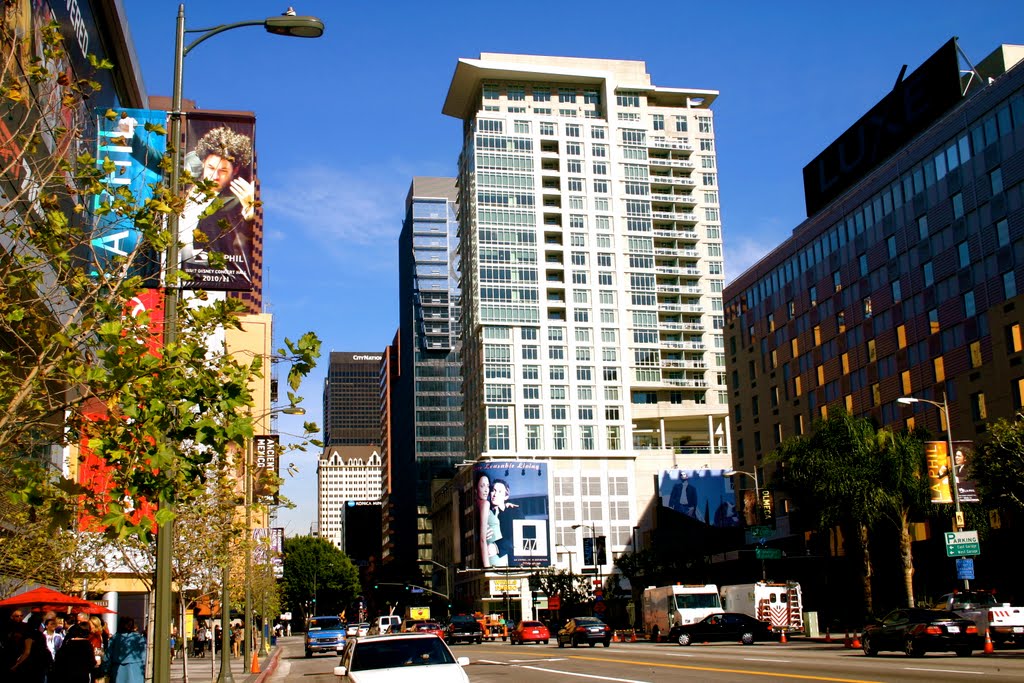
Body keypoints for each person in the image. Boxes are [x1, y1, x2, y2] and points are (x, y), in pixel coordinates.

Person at [179, 126, 256, 288]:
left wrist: (249, 214)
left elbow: (241, 240)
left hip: (201, 277)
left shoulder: (234, 200)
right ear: (203, 163)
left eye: (223, 171)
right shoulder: (187, 183)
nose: (214, 176)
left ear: (234, 171)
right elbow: (156, 159)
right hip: (167, 268)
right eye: (211, 168)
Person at [490, 479, 524, 565]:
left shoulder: (515, 512)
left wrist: (496, 546)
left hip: (510, 562)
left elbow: (519, 537)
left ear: (506, 496)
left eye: (500, 492)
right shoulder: (486, 512)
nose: (495, 494)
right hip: (490, 561)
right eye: (493, 490)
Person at [106, 617, 145, 683]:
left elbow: (108, 656)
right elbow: (144, 655)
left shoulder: (115, 638)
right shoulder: (139, 638)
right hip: (136, 671)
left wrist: (106, 669)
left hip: (118, 670)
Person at [475, 472, 501, 568]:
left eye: (488, 486)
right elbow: (482, 539)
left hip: (493, 555)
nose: (486, 490)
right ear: (476, 489)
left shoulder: (477, 506)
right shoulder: (485, 504)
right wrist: (487, 567)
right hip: (493, 558)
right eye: (482, 486)